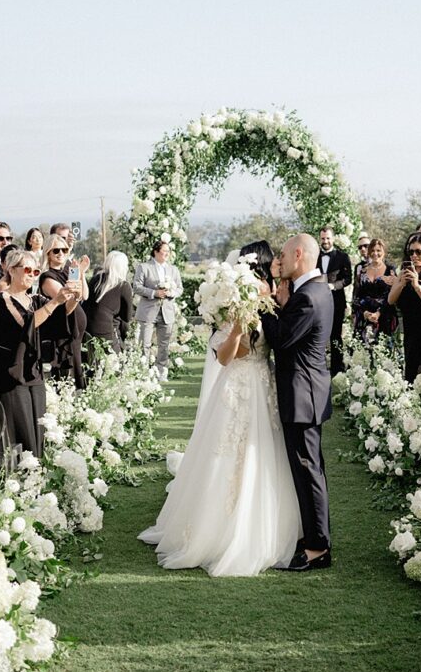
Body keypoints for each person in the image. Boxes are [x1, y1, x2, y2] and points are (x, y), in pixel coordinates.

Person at [139, 241, 301, 576]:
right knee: (225, 453)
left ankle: (262, 523)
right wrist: (241, 324)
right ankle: (218, 530)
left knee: (264, 454)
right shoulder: (238, 297)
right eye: (273, 261)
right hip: (237, 387)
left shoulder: (274, 295)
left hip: (263, 385)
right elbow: (227, 356)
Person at [260, 233, 333, 571]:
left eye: (285, 255)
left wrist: (264, 303)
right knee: (310, 469)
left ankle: (318, 547)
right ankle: (312, 537)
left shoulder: (309, 296)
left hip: (302, 394)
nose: (281, 261)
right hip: (306, 391)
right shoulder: (315, 289)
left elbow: (280, 338)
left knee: (308, 471)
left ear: (299, 254)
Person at [0, 249, 78, 456]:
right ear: (11, 270)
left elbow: (59, 316)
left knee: (38, 425)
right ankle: (16, 475)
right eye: (27, 269)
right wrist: (56, 301)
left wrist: (73, 296)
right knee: (20, 428)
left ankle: (36, 470)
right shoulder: (3, 299)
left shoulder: (34, 299)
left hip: (33, 370)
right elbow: (26, 325)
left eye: (36, 271)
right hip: (10, 374)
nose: (32, 274)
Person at [39, 234, 90, 387]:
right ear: (48, 253)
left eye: (64, 249)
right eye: (56, 250)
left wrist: (81, 273)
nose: (61, 253)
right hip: (64, 330)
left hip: (76, 331)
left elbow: (84, 295)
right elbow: (68, 297)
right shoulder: (47, 277)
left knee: (79, 367)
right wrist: (76, 273)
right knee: (69, 372)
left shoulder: (68, 271)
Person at [388, 233, 421, 382]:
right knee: (410, 373)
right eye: (410, 252)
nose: (414, 256)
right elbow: (390, 300)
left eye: (418, 251)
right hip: (409, 328)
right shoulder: (404, 271)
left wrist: (417, 286)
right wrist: (401, 283)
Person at [133, 240, 182, 382]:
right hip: (148, 311)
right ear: (156, 251)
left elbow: (179, 288)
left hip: (167, 311)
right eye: (164, 251)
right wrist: (154, 293)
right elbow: (136, 286)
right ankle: (143, 373)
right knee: (145, 344)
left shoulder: (174, 269)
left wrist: (172, 293)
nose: (166, 254)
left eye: (168, 251)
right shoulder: (144, 267)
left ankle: (162, 372)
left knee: (164, 345)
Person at [317, 227, 353, 374]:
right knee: (318, 334)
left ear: (333, 238)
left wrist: (334, 286)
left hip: (336, 301)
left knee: (335, 335)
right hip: (318, 301)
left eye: (328, 238)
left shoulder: (342, 257)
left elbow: (348, 279)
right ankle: (319, 367)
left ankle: (337, 369)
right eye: (323, 238)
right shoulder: (314, 256)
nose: (325, 241)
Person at [84, 250, 134, 353]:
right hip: (108, 333)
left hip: (89, 330)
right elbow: (127, 317)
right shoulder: (123, 286)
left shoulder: (96, 279)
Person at [351, 238, 398, 345]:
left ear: (384, 252)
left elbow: (392, 295)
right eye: (372, 250)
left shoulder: (390, 270)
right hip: (364, 318)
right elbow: (358, 296)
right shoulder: (362, 271)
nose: (375, 253)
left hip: (384, 317)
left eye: (378, 250)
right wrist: (365, 313)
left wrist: (378, 313)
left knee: (383, 353)